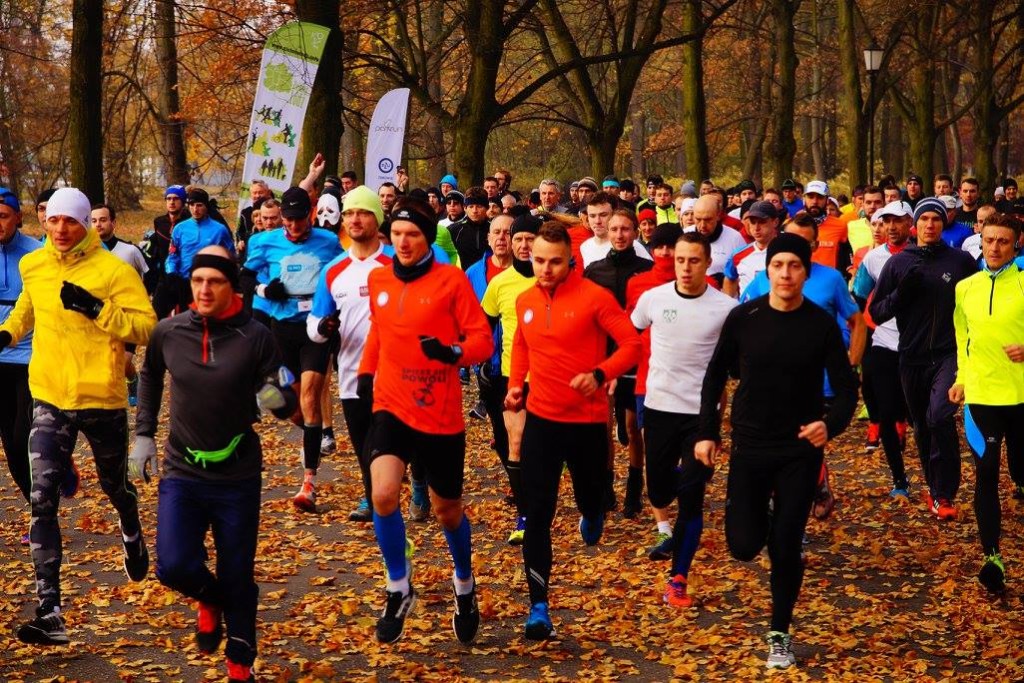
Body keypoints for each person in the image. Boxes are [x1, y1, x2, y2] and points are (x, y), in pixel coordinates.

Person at [131, 246, 297, 683]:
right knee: (174, 565)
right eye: (198, 281)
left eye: (214, 282)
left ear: (231, 287)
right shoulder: (169, 331)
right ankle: (211, 598)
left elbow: (281, 396)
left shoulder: (257, 335)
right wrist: (144, 433)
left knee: (237, 570)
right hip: (182, 470)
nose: (204, 290)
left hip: (237, 474)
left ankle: (240, 662)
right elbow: (149, 373)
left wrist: (274, 399)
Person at [0, 187, 157, 645]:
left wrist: (97, 309)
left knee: (115, 486)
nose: (62, 230)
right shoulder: (35, 264)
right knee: (41, 496)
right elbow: (30, 306)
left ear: (88, 223)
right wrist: (8, 333)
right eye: (55, 221)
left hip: (101, 398)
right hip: (49, 394)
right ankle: (50, 609)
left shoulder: (111, 269)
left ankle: (131, 529)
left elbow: (147, 327)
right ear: (45, 222)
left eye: (72, 222)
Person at [697, 233, 857, 669]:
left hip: (799, 446)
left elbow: (846, 388)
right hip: (750, 444)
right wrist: (707, 432)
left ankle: (780, 633)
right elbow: (714, 377)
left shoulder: (820, 325)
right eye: (778, 265)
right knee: (744, 546)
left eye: (794, 266)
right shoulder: (745, 317)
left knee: (786, 545)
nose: (786, 274)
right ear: (767, 271)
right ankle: (769, 520)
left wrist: (831, 423)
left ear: (807, 272)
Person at [357, 197, 492, 645]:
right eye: (395, 234)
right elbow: (379, 330)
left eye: (412, 234)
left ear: (428, 236)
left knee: (446, 511)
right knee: (382, 494)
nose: (403, 242)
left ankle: (465, 584)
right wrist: (365, 373)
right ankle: (399, 586)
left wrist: (452, 352)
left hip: (439, 412)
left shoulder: (451, 281)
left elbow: (482, 342)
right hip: (391, 403)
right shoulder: (379, 279)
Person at [505, 222, 641, 640]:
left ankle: (594, 510)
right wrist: (515, 386)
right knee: (538, 514)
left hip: (585, 423)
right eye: (538, 260)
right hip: (542, 422)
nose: (545, 268)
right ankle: (539, 607)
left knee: (589, 498)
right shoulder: (526, 300)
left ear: (570, 260)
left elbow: (632, 344)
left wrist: (600, 374)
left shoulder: (594, 298)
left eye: (554, 261)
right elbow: (523, 345)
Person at [632, 231, 736, 607]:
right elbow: (630, 335)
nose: (686, 268)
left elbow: (737, 361)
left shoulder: (725, 308)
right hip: (659, 407)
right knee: (658, 490)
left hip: (701, 414)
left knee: (692, 494)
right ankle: (676, 486)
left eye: (694, 260)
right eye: (680, 260)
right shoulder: (653, 300)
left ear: (708, 264)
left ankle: (678, 577)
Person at [870, 197, 978, 519]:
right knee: (921, 426)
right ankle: (935, 490)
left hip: (948, 354)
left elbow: (975, 307)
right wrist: (901, 294)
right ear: (914, 225)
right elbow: (877, 311)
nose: (930, 224)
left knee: (940, 416)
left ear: (944, 224)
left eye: (936, 219)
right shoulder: (899, 263)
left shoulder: (960, 262)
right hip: (911, 356)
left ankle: (945, 493)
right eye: (924, 219)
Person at [241, 187, 342, 512]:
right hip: (281, 330)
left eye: (300, 219)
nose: (295, 226)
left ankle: (308, 483)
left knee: (311, 396)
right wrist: (264, 288)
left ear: (310, 215)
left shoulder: (328, 242)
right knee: (285, 404)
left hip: (315, 330)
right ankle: (312, 433)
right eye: (289, 220)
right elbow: (243, 276)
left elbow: (342, 275)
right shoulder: (264, 242)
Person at [306, 186, 390, 522]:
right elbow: (313, 323)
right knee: (363, 441)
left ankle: (410, 485)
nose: (355, 219)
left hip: (397, 373)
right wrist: (323, 328)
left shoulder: (394, 262)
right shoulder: (334, 270)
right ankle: (373, 497)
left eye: (364, 212)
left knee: (393, 441)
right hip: (353, 372)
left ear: (377, 219)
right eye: (350, 212)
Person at [950, 213, 1024, 594]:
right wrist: (962, 379)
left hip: (1021, 395)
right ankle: (992, 557)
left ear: (1017, 244)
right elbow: (963, 339)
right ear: (980, 239)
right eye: (989, 240)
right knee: (986, 473)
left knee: (1019, 470)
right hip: (981, 395)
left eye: (1003, 242)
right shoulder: (965, 288)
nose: (994, 248)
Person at [584, 210, 653, 517]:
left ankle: (634, 487)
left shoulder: (647, 270)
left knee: (632, 426)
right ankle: (607, 487)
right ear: (607, 233)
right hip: (602, 355)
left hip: (636, 354)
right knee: (603, 425)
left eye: (626, 229)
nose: (620, 234)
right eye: (614, 229)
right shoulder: (594, 270)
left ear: (635, 232)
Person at [481, 214, 541, 544]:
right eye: (518, 239)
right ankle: (525, 514)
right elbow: (482, 326)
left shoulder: (552, 278)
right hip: (512, 375)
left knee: (544, 447)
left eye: (529, 239)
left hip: (550, 376)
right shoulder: (499, 283)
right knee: (514, 442)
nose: (522, 245)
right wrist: (480, 364)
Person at [852, 202, 913, 496]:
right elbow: (860, 294)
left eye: (897, 221)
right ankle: (899, 479)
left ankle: (935, 477)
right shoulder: (872, 258)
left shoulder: (920, 256)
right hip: (884, 342)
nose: (891, 226)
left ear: (909, 224)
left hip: (919, 346)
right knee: (886, 412)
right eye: (885, 221)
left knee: (924, 417)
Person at [0, 188, 42, 533]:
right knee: (10, 444)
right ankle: (38, 505)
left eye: (3, 216)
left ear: (17, 218)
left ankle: (43, 506)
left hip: (29, 357)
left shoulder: (36, 253)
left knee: (21, 436)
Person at [91, 204, 149, 407]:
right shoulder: (87, 254)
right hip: (98, 316)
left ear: (113, 223)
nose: (98, 224)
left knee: (123, 361)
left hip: (127, 316)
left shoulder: (130, 251)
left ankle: (132, 379)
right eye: (94, 220)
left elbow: (147, 276)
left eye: (103, 220)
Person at [156, 188, 235, 318]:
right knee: (185, 321)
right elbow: (172, 255)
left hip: (209, 283)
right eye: (192, 205)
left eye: (199, 205)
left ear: (206, 206)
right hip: (184, 283)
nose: (195, 209)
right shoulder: (180, 228)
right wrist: (171, 274)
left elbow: (230, 257)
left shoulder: (220, 229)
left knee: (207, 319)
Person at [722, 201, 778, 297]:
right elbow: (729, 278)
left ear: (775, 222)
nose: (756, 228)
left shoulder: (786, 253)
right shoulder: (738, 254)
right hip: (747, 310)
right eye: (752, 222)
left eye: (762, 222)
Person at [691, 195, 747, 287]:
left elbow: (745, 275)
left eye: (708, 220)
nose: (702, 225)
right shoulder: (684, 236)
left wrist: (726, 279)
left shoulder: (735, 238)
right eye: (698, 219)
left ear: (718, 215)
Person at [142, 185, 190, 295]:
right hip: (163, 278)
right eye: (168, 198)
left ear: (182, 201)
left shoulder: (189, 223)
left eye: (176, 198)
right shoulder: (159, 221)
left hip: (184, 277)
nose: (172, 202)